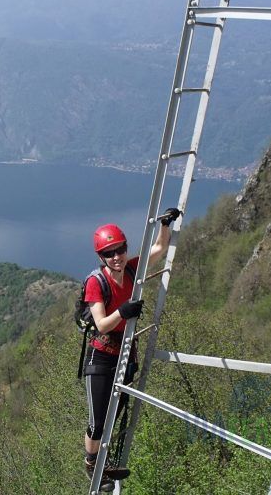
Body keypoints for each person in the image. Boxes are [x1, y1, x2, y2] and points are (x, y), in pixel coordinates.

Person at [82, 209, 180, 490]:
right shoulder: (96, 283)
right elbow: (101, 324)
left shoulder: (132, 268)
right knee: (98, 420)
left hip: (125, 352)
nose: (116, 257)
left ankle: (106, 462)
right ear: (101, 257)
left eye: (120, 249)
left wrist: (164, 224)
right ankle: (92, 465)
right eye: (109, 253)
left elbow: (160, 249)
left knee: (114, 415)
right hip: (101, 355)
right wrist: (124, 312)